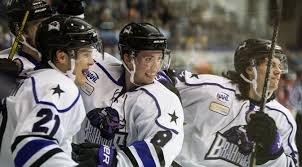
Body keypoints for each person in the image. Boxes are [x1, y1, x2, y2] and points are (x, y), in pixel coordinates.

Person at [158, 38, 298, 166]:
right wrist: (169, 94)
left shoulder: (283, 118)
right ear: (250, 68)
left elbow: (292, 164)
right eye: (271, 65)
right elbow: (162, 76)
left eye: (279, 66)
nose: (278, 71)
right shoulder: (212, 88)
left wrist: (274, 148)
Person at [73, 22, 184, 167]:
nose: (156, 67)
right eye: (148, 59)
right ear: (127, 58)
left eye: (159, 58)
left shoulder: (163, 100)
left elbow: (160, 149)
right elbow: (71, 47)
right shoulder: (97, 67)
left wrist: (112, 160)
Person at [0, 15, 98, 166]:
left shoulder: (33, 80)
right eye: (86, 54)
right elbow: (30, 145)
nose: (91, 61)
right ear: (61, 57)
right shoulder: (61, 85)